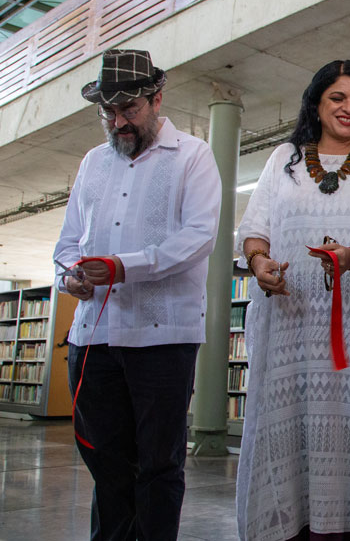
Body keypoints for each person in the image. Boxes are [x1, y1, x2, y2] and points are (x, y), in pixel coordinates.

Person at [235, 60, 350, 541]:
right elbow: (254, 230)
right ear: (316, 103)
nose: (349, 108)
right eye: (337, 97)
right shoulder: (283, 159)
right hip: (289, 329)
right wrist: (259, 263)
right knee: (289, 427)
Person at [54, 48, 222, 540]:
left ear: (157, 99)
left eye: (129, 109)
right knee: (106, 463)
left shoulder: (192, 155)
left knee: (158, 466)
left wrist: (122, 268)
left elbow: (198, 238)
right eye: (108, 112)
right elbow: (67, 245)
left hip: (162, 338)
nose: (118, 122)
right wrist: (70, 277)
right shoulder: (92, 162)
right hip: (94, 336)